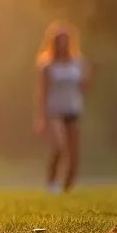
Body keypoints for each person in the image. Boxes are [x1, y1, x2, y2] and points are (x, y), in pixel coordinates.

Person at [34, 21, 92, 192]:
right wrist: (41, 118)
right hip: (54, 111)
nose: (63, 43)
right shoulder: (48, 65)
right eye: (60, 40)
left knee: (74, 154)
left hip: (73, 109)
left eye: (66, 39)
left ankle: (68, 186)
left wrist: (91, 78)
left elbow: (83, 87)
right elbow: (42, 92)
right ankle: (52, 182)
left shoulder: (78, 62)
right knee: (59, 146)